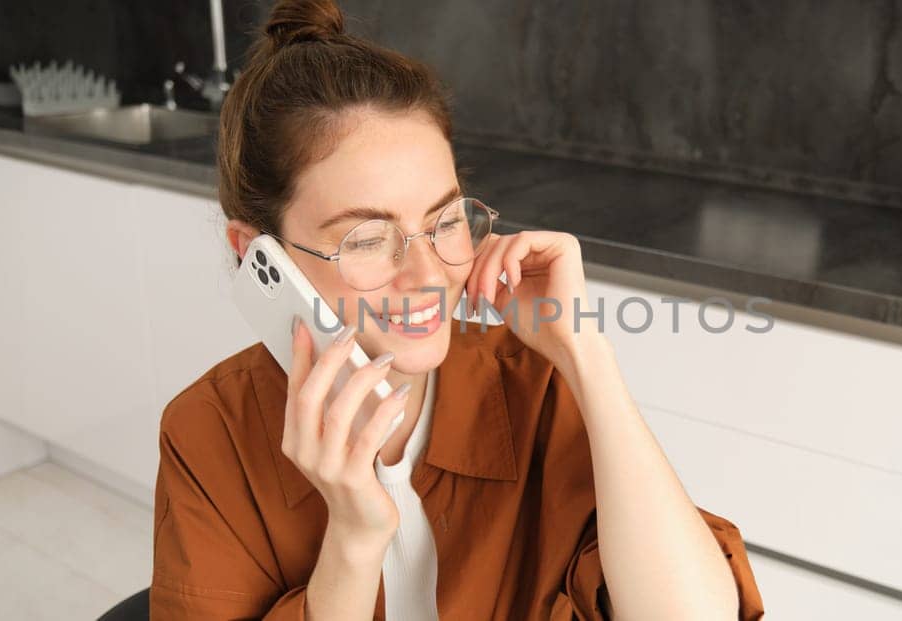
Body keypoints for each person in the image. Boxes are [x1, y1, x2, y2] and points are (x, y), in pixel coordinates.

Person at [150, 1, 765, 618]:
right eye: (366, 239)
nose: (428, 275)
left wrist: (585, 353)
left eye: (445, 221)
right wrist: (354, 541)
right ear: (256, 255)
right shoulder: (209, 433)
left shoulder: (536, 386)